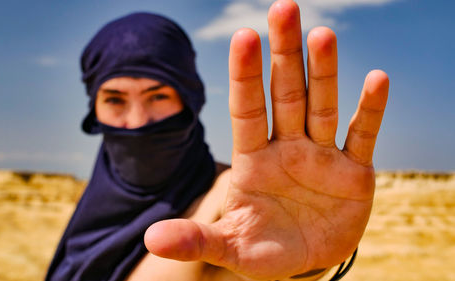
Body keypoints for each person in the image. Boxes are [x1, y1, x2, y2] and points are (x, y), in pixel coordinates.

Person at [45, 0, 389, 280]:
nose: (137, 122)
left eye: (158, 96)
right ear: (95, 106)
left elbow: (249, 262)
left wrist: (309, 268)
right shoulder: (93, 199)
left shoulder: (230, 201)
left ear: (189, 98)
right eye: (115, 99)